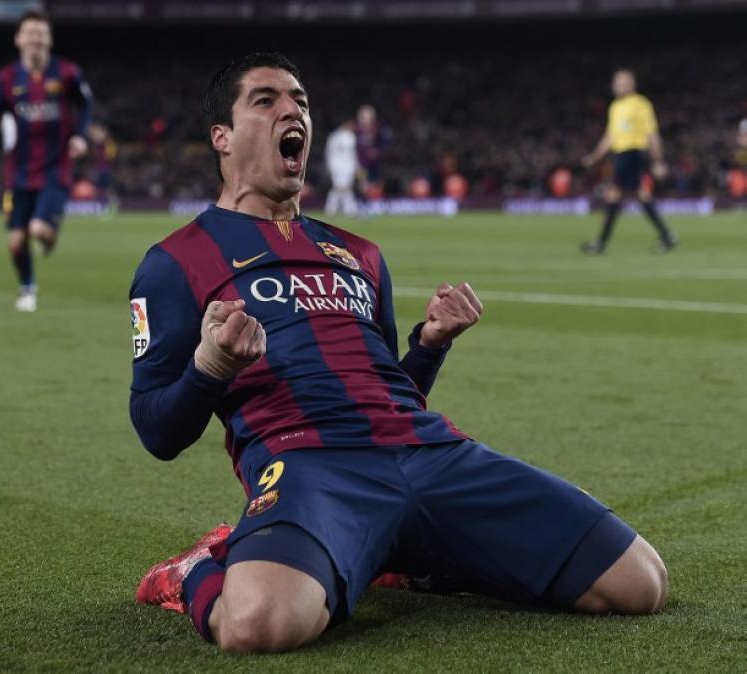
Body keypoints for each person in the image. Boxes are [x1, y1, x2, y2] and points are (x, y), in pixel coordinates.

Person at [131, 53, 667, 654]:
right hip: (312, 464)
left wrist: (428, 347)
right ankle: (197, 569)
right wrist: (212, 366)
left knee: (640, 583)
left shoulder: (359, 254)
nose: (292, 110)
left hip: (429, 452)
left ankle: (395, 546)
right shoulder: (176, 261)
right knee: (257, 625)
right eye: (266, 100)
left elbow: (384, 391)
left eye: (300, 101)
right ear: (221, 138)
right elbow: (156, 429)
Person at [0, 9, 93, 312]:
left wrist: (81, 136)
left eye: (41, 33)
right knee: (16, 242)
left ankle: (49, 234)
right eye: (30, 33)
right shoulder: (5, 79)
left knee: (38, 231)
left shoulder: (68, 73)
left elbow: (85, 106)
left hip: (55, 170)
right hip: (18, 174)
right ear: (19, 39)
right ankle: (27, 288)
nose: (35, 38)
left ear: (49, 39)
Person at [581, 69, 677, 254]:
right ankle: (667, 235)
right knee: (639, 194)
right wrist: (595, 156)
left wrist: (658, 160)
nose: (618, 86)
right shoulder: (615, 107)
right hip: (620, 154)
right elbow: (610, 136)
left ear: (632, 85)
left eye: (622, 82)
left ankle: (601, 243)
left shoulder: (640, 104)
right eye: (616, 83)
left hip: (633, 152)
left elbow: (652, 133)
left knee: (614, 194)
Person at [324, 120, 359, 216]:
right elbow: (330, 153)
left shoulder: (335, 136)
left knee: (345, 188)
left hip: (344, 167)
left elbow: (352, 154)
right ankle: (333, 208)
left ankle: (348, 208)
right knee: (340, 188)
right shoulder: (345, 137)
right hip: (340, 166)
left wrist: (355, 167)